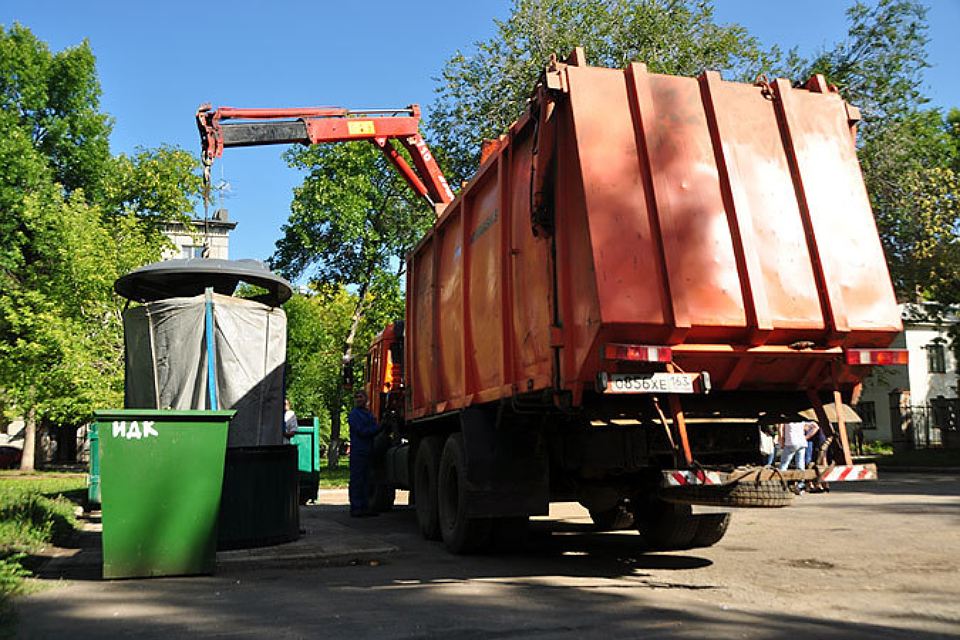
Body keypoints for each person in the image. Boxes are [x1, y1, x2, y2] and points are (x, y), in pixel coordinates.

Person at [347, 390, 380, 517]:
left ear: (366, 399)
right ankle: (356, 507)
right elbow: (362, 431)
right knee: (357, 480)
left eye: (361, 397)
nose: (359, 399)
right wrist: (379, 428)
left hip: (368, 450)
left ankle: (365, 506)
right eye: (357, 397)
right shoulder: (354, 415)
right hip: (358, 452)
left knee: (367, 480)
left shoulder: (368, 414)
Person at [779, 419, 819, 493]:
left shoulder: (786, 419)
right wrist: (806, 437)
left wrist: (781, 441)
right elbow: (816, 427)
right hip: (802, 442)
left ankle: (781, 483)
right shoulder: (801, 419)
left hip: (791, 442)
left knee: (784, 464)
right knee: (800, 464)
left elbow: (780, 429)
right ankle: (800, 485)